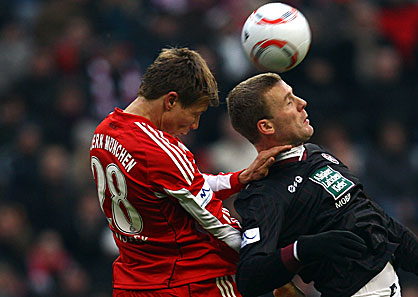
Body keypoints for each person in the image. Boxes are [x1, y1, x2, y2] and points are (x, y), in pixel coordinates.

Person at [226, 72, 418, 297]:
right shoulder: (264, 193)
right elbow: (250, 276)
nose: (303, 103)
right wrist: (303, 249)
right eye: (289, 102)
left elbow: (382, 224)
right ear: (266, 126)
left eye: (295, 96)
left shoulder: (317, 155)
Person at [89, 48, 291, 297]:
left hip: (134, 283)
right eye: (195, 114)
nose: (194, 125)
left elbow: (175, 187)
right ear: (171, 100)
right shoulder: (158, 149)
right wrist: (273, 266)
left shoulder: (103, 133)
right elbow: (217, 224)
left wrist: (239, 179)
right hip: (192, 282)